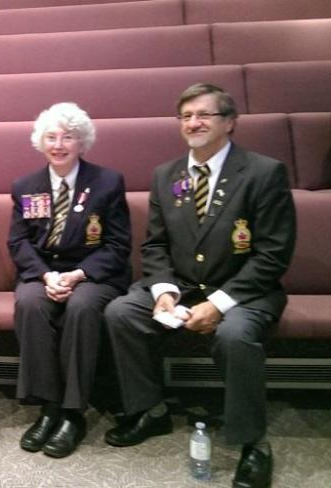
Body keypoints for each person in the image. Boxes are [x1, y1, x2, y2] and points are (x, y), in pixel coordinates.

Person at [103, 83, 296, 488]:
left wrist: (220, 303)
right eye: (186, 116)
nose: (194, 122)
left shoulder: (263, 172)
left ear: (230, 123)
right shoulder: (166, 175)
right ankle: (150, 411)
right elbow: (155, 245)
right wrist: (163, 292)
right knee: (121, 312)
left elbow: (272, 255)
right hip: (184, 286)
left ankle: (252, 442)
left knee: (235, 335)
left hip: (245, 290)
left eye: (205, 114)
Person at [7, 102, 131, 458]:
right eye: (51, 137)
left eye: (68, 137)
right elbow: (18, 242)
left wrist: (77, 275)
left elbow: (118, 244)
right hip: (44, 270)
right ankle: (48, 406)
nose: (59, 144)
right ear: (40, 141)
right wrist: (46, 276)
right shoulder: (25, 185)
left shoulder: (107, 182)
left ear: (82, 142)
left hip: (93, 272)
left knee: (80, 306)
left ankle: (73, 412)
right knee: (29, 303)